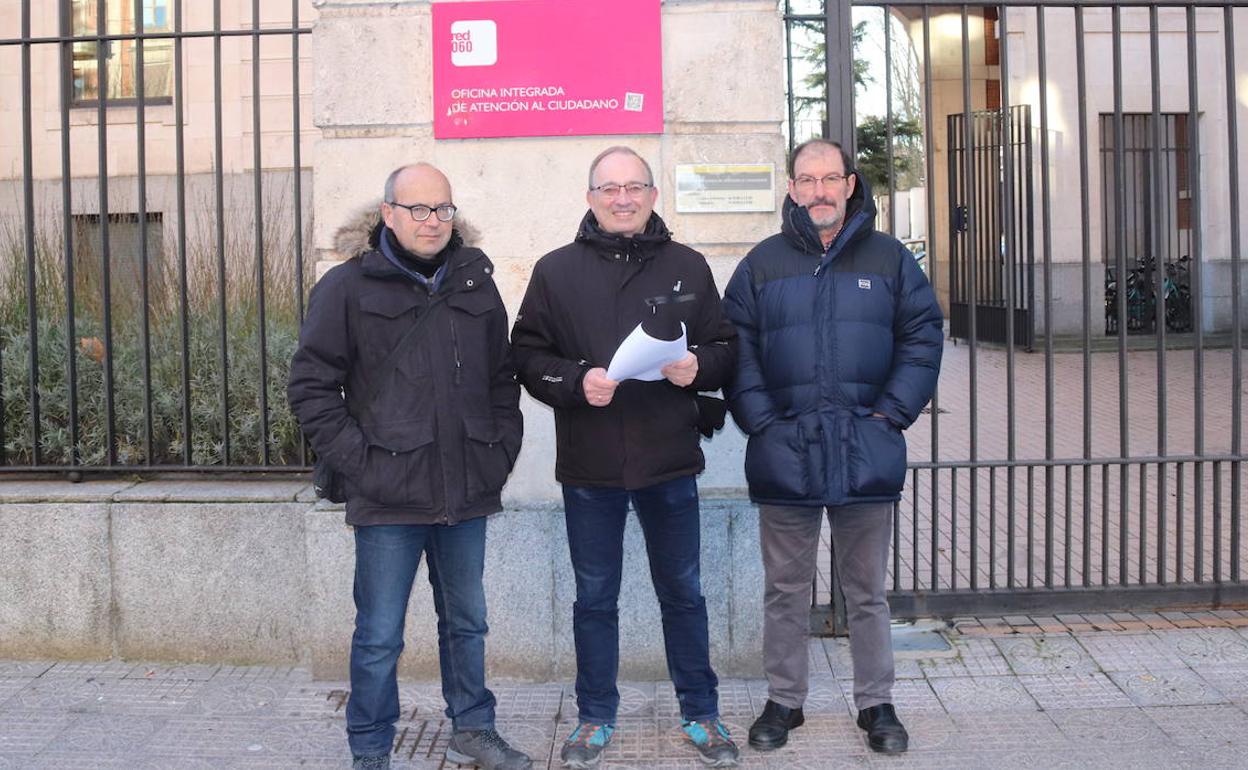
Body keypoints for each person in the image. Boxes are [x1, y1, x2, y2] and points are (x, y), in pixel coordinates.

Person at [287, 163, 531, 770]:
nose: (432, 221)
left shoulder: (476, 281)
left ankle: (473, 728)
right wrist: (362, 465)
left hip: (466, 487)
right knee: (378, 636)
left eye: (442, 209)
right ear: (389, 214)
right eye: (418, 209)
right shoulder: (347, 287)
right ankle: (370, 747)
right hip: (388, 493)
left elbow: (503, 379)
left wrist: (498, 453)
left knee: (467, 623)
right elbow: (311, 388)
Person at [511, 146, 740, 769]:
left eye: (634, 186)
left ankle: (701, 711)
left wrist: (698, 367)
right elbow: (527, 356)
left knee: (684, 593)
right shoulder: (555, 271)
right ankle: (593, 717)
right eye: (608, 189)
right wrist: (574, 380)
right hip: (591, 464)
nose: (622, 198)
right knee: (594, 597)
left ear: (652, 196)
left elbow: (725, 347)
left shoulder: (688, 266)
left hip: (669, 459)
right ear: (590, 199)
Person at [723, 139, 943, 756]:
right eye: (805, 180)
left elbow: (923, 336)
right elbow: (734, 346)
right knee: (785, 588)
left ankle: (877, 703)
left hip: (863, 448)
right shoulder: (762, 264)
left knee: (867, 590)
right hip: (785, 449)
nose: (818, 190)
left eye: (829, 179)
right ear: (791, 190)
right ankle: (784, 702)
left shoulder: (891, 259)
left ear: (849, 184)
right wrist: (763, 420)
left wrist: (890, 415)